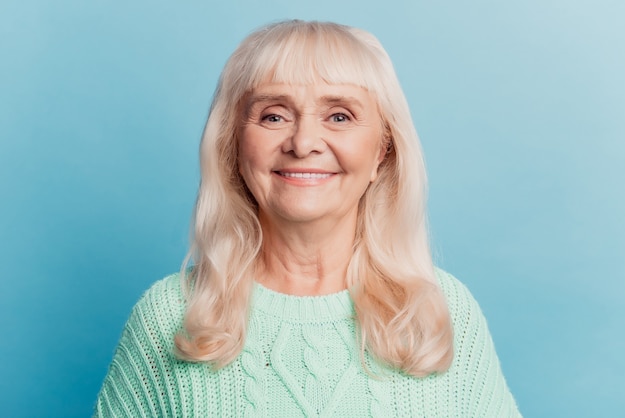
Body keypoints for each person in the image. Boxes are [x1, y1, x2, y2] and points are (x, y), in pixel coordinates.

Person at [93, 20, 521, 417]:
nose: (303, 142)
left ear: (382, 151)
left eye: (340, 116)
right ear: (233, 145)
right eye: (274, 115)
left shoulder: (440, 312)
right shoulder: (171, 316)